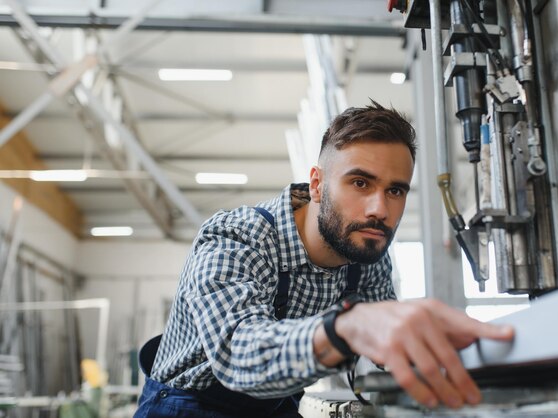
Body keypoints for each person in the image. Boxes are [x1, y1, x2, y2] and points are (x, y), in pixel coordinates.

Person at [134, 101, 514, 418]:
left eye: (395, 190)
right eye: (360, 183)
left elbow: (382, 344)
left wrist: (459, 356)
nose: (379, 209)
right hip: (185, 406)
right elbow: (238, 353)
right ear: (317, 184)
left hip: (277, 406)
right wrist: (344, 328)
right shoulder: (236, 238)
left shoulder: (366, 252)